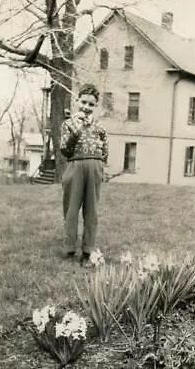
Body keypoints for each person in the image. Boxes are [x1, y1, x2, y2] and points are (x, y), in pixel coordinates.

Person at [60, 83, 108, 267]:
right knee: (71, 210)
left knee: (92, 211)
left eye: (91, 104)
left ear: (95, 107)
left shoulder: (99, 127)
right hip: (75, 166)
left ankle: (88, 251)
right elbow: (65, 149)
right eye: (84, 102)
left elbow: (105, 149)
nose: (86, 108)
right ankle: (69, 249)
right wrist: (78, 128)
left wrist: (99, 165)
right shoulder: (68, 124)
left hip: (94, 166)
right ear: (77, 101)